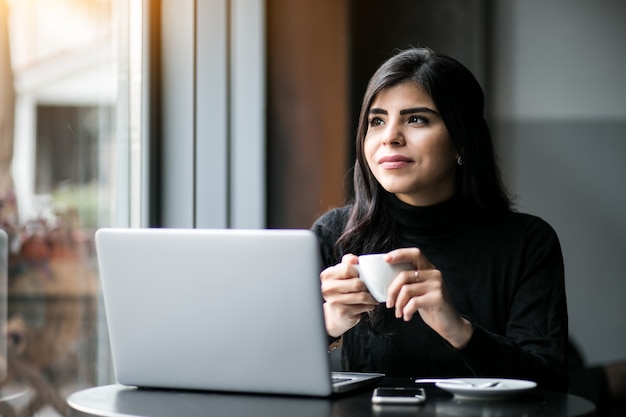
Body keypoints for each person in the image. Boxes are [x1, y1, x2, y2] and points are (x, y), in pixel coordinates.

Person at [311, 47, 568, 391]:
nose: (390, 137)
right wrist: (330, 323)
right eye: (377, 121)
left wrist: (458, 329)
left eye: (416, 119)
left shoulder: (527, 242)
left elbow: (550, 383)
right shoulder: (334, 235)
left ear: (462, 139)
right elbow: (267, 364)